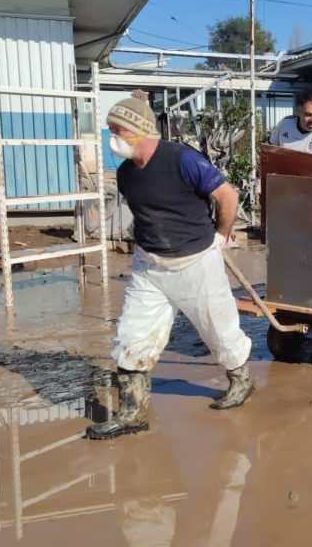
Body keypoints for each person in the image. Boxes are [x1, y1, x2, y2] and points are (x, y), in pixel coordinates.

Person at [87, 90, 253, 441]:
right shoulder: (126, 174)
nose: (112, 140)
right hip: (150, 266)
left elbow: (227, 196)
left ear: (140, 131)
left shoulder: (182, 159)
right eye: (111, 132)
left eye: (117, 131)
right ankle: (132, 413)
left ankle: (241, 381)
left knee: (219, 331)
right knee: (132, 337)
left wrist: (221, 235)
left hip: (197, 263)